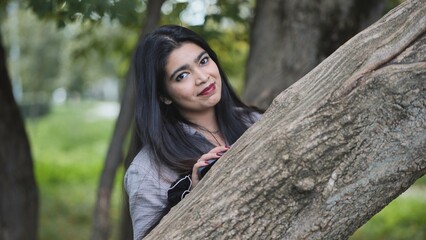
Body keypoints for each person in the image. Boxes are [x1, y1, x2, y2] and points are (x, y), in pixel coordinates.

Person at [124, 25, 261, 239]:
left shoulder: (255, 122)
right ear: (164, 95)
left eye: (204, 61)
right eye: (182, 75)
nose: (202, 77)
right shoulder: (147, 171)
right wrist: (194, 197)